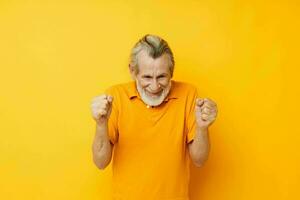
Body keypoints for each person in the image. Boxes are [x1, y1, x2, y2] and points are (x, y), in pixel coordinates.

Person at [90, 34, 218, 200]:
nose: (155, 86)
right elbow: (100, 163)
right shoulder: (115, 97)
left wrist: (202, 127)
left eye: (162, 76)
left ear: (171, 72)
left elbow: (200, 160)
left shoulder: (188, 94)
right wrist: (101, 124)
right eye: (147, 77)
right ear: (132, 71)